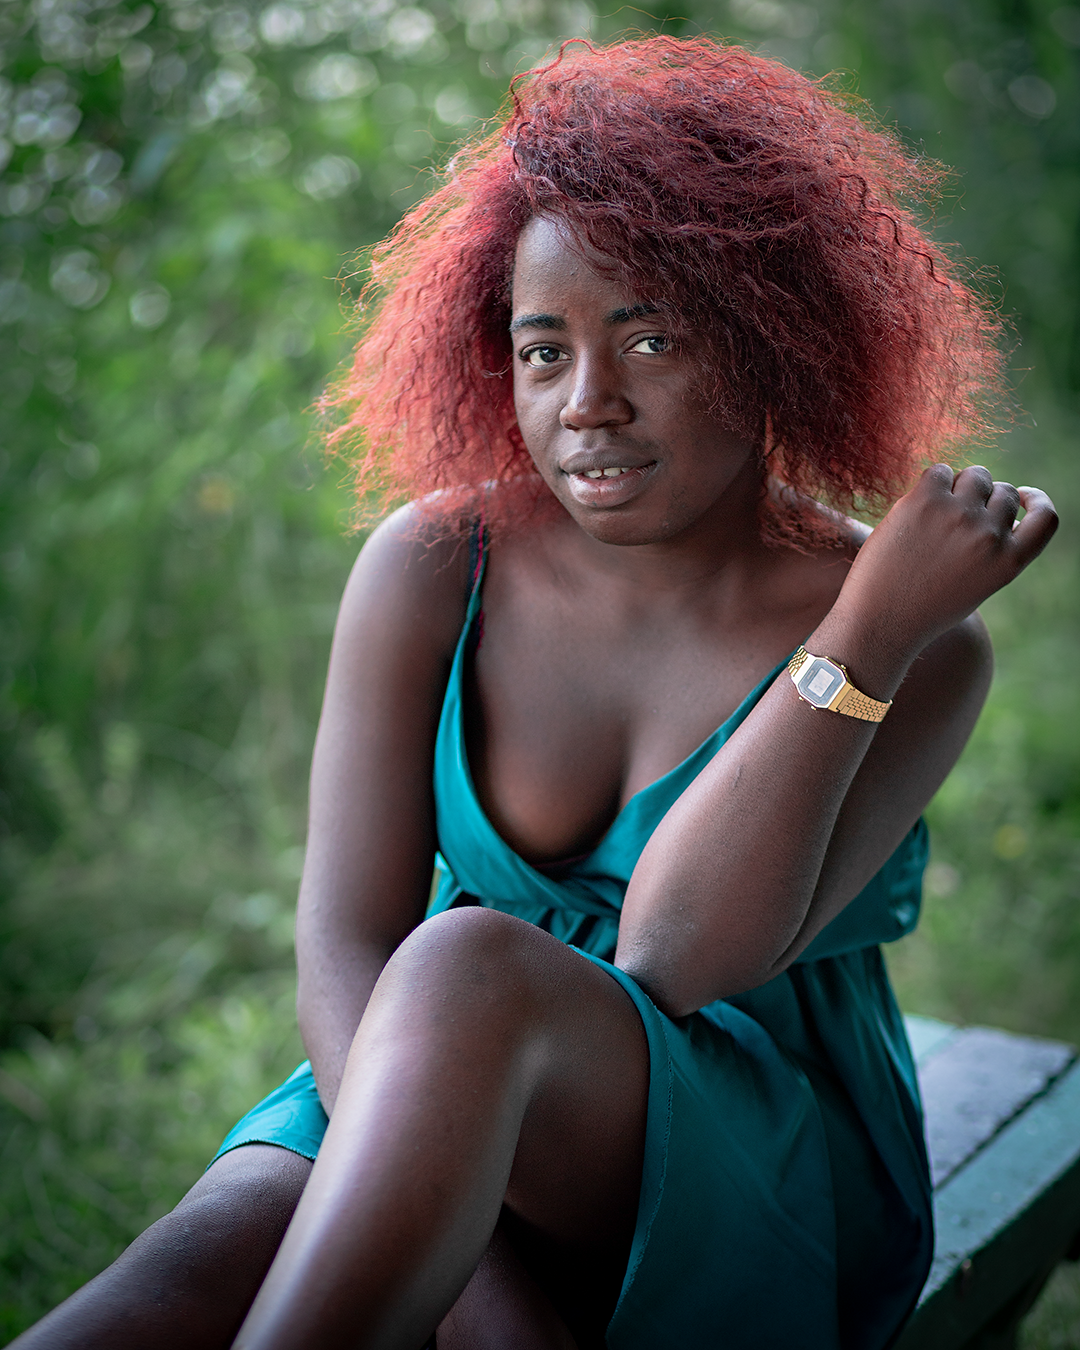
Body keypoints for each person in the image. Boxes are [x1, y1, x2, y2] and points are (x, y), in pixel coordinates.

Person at [16, 35, 1058, 1350]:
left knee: (465, 961)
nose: (587, 404)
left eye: (651, 338)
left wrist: (867, 631)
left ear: (771, 342)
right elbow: (343, 944)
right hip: (415, 1078)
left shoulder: (916, 640)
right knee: (189, 1263)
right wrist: (472, 1272)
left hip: (752, 1150)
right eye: (543, 349)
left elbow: (674, 958)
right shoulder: (434, 564)